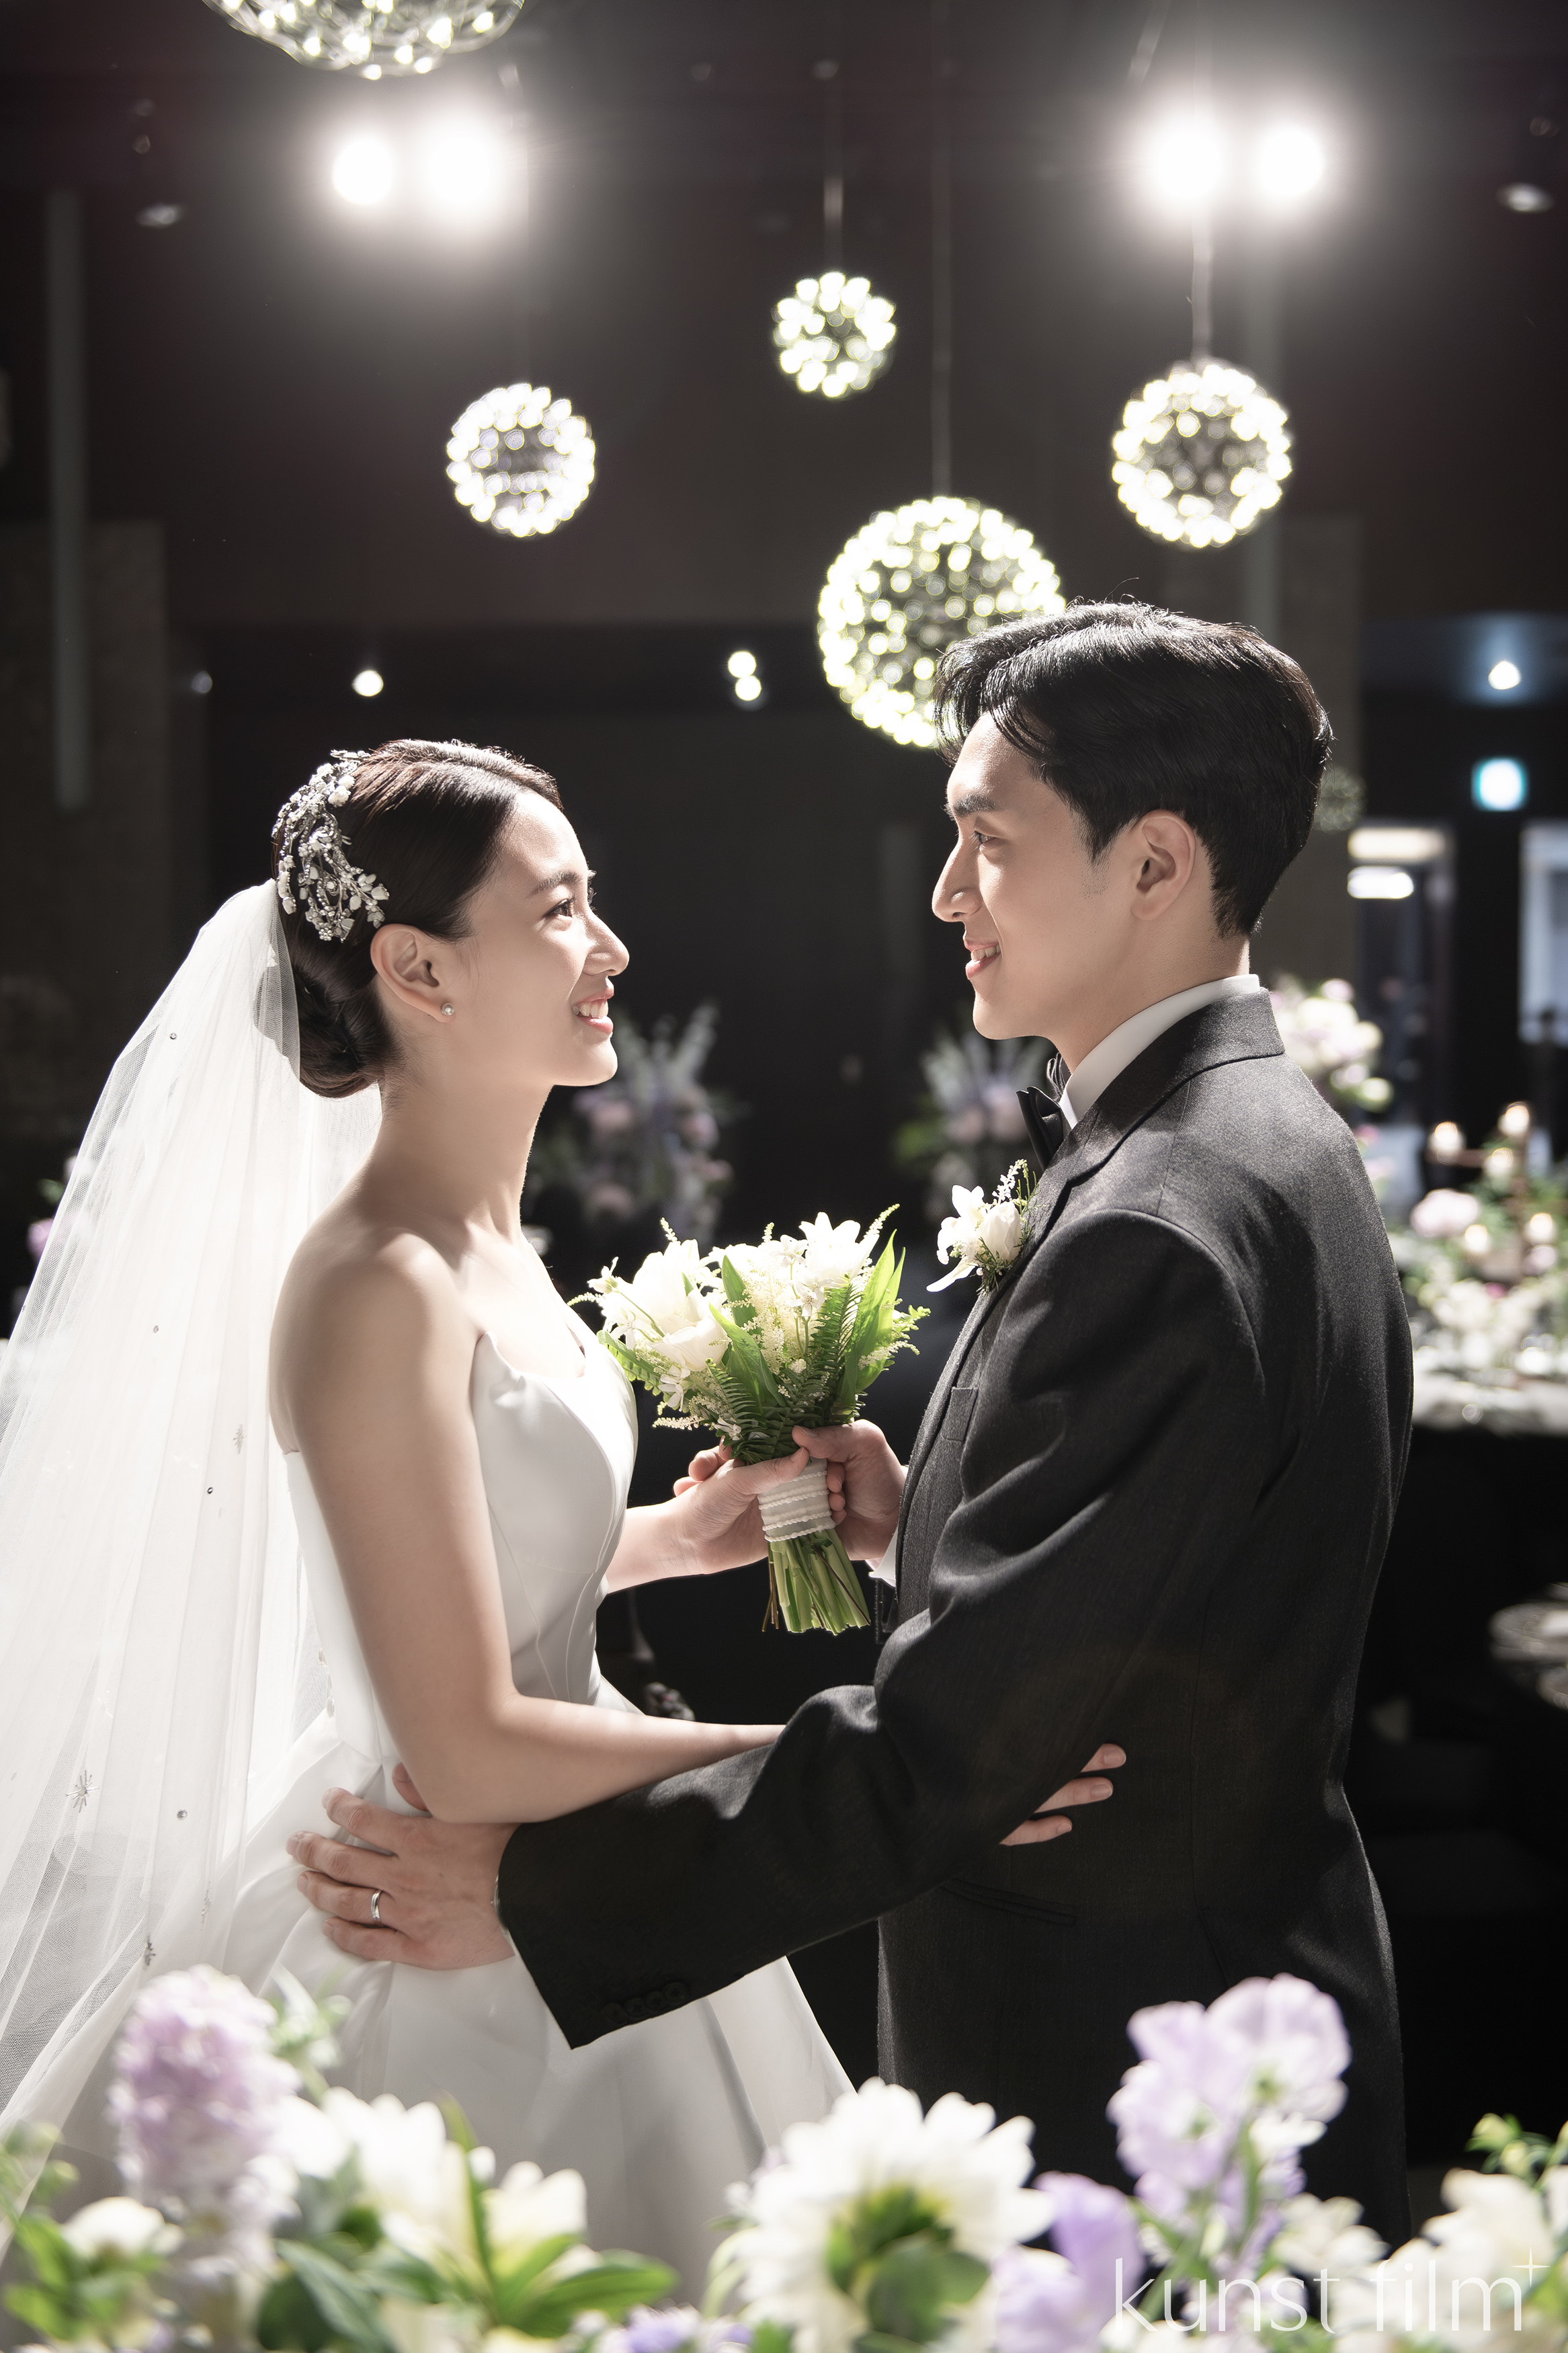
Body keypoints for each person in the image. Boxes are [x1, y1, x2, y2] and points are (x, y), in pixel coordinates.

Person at [292, 608, 1415, 2247]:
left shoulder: (1167, 1209)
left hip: (1130, 2051)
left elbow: (958, 1758)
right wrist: (917, 1520)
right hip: (1186, 2001)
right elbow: (1170, 1556)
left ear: (1156, 862)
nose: (947, 892)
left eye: (987, 841)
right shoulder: (1243, 1138)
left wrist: (538, 1888)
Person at [0, 737, 1114, 2291]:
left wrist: (673, 1539)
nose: (612, 947)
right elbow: (465, 1744)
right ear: (419, 969)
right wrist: (885, 1763)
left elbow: (450, 1550)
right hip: (443, 1900)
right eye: (559, 910)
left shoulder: (488, 1246)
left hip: (575, 1861)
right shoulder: (377, 1282)